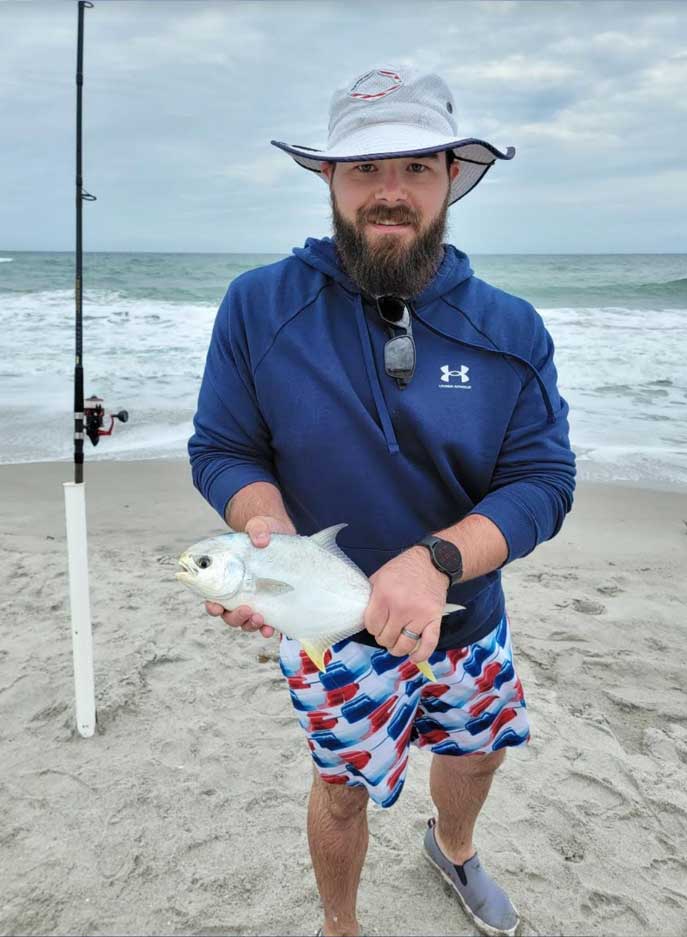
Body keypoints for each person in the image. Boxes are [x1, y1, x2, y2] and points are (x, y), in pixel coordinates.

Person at [188, 65, 576, 937]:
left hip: (468, 616)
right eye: (364, 168)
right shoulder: (260, 306)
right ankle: (340, 924)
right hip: (327, 628)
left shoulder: (511, 329)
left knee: (475, 750)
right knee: (340, 781)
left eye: (415, 168)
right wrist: (267, 539)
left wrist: (438, 559)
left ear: (452, 179)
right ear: (328, 178)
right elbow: (223, 447)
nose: (389, 193)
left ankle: (456, 848)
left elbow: (544, 481)